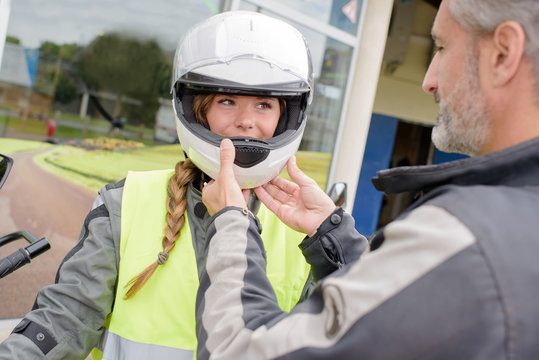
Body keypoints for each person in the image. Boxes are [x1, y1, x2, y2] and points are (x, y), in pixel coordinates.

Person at [195, 0, 539, 358]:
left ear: (503, 53)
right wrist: (335, 239)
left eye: (441, 47)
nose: (428, 81)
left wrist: (231, 223)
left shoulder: (466, 235)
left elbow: (237, 350)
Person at [0, 11, 332, 359]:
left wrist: (333, 241)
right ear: (198, 110)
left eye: (264, 104)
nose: (246, 122)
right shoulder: (126, 203)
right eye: (227, 101)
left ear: (286, 117)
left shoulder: (306, 234)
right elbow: (63, 319)